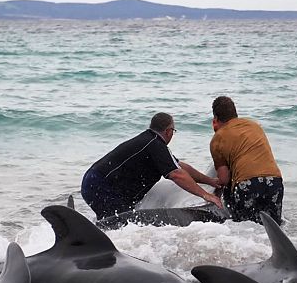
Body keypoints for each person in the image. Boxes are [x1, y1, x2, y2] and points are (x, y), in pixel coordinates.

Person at [81, 112, 222, 220]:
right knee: (122, 224)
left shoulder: (151, 142)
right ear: (168, 131)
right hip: (100, 185)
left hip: (95, 182)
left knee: (117, 222)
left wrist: (209, 181)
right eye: (173, 131)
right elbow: (177, 175)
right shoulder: (154, 145)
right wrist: (205, 195)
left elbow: (180, 167)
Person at [208, 96, 284, 224]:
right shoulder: (255, 126)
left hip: (247, 184)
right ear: (235, 113)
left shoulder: (217, 139)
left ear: (215, 118)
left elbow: (224, 179)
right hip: (274, 180)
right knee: (273, 228)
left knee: (246, 228)